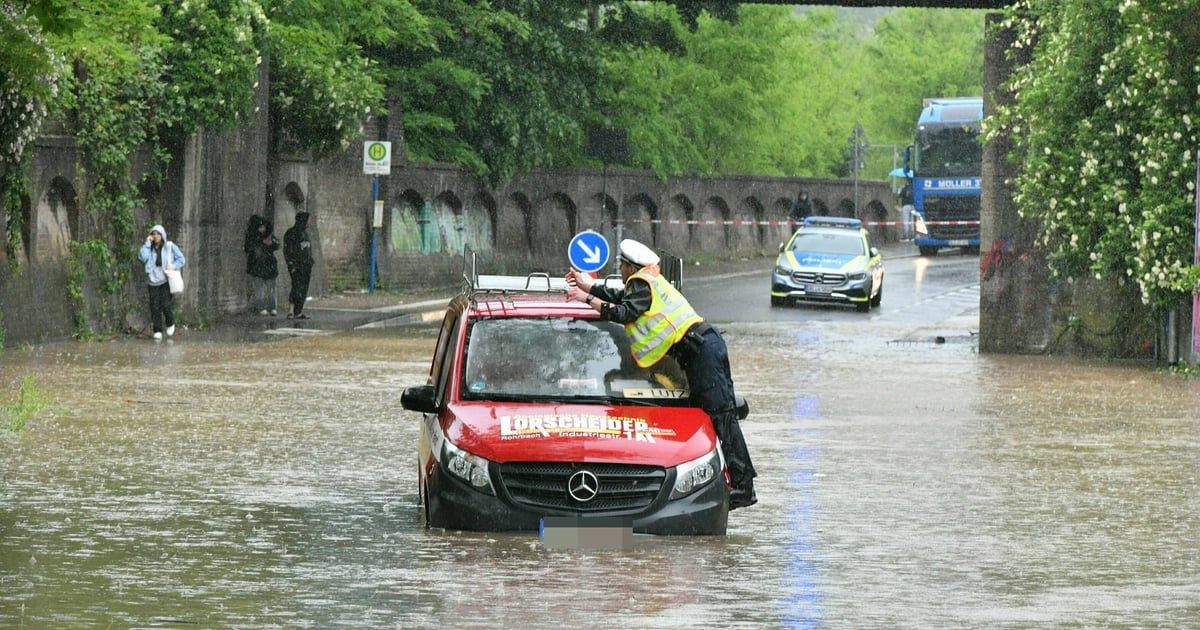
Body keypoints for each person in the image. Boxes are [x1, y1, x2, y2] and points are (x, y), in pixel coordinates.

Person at [564, 239, 758, 509]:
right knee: (716, 416)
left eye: (621, 265)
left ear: (630, 267)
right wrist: (588, 286)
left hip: (702, 351)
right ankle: (739, 482)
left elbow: (622, 312)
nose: (619, 269)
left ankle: (744, 486)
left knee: (721, 416)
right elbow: (621, 299)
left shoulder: (641, 284)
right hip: (700, 348)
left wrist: (585, 298)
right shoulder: (645, 282)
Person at [137, 224, 186, 341]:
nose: (155, 236)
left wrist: (173, 265)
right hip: (152, 282)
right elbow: (142, 258)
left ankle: (170, 322)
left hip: (165, 281)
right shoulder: (149, 248)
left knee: (166, 304)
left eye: (158, 233)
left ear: (162, 235)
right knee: (154, 307)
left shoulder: (169, 246)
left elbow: (181, 259)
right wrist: (147, 244)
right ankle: (157, 330)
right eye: (153, 234)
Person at [244, 215, 280, 315]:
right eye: (260, 226)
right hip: (258, 266)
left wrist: (271, 243)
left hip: (268, 265)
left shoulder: (269, 235)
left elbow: (277, 244)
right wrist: (261, 243)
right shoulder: (252, 237)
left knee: (270, 289)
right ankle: (260, 307)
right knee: (259, 289)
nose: (262, 228)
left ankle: (272, 307)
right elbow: (249, 248)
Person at [283, 211, 314, 320]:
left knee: (303, 288)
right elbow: (287, 250)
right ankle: (291, 310)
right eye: (308, 219)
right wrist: (291, 264)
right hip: (297, 265)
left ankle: (298, 311)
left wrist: (310, 260)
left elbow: (307, 249)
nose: (309, 222)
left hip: (306, 266)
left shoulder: (305, 233)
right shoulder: (291, 233)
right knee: (296, 286)